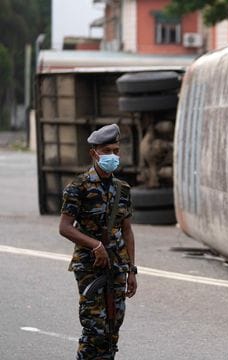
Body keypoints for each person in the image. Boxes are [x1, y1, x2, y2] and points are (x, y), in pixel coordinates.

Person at [59, 124, 137, 359]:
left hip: (117, 268)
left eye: (115, 150)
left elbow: (127, 230)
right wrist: (95, 245)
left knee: (113, 330)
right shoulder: (78, 186)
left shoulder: (122, 189)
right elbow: (64, 227)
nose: (112, 156)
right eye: (106, 151)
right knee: (94, 329)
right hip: (90, 267)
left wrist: (132, 270)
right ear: (94, 153)